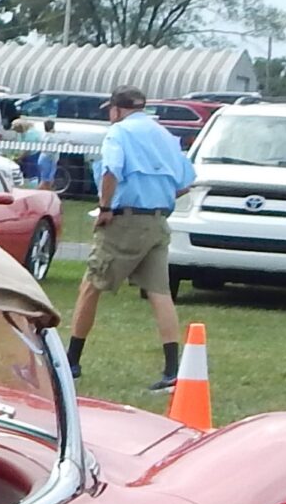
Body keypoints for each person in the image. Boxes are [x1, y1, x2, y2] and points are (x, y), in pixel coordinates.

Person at [67, 85, 197, 392]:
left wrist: (104, 208)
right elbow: (186, 182)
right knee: (159, 293)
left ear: (116, 109)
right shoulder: (165, 136)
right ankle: (171, 370)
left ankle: (71, 361)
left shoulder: (119, 133)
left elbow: (111, 170)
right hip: (157, 221)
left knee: (91, 286)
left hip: (124, 220)